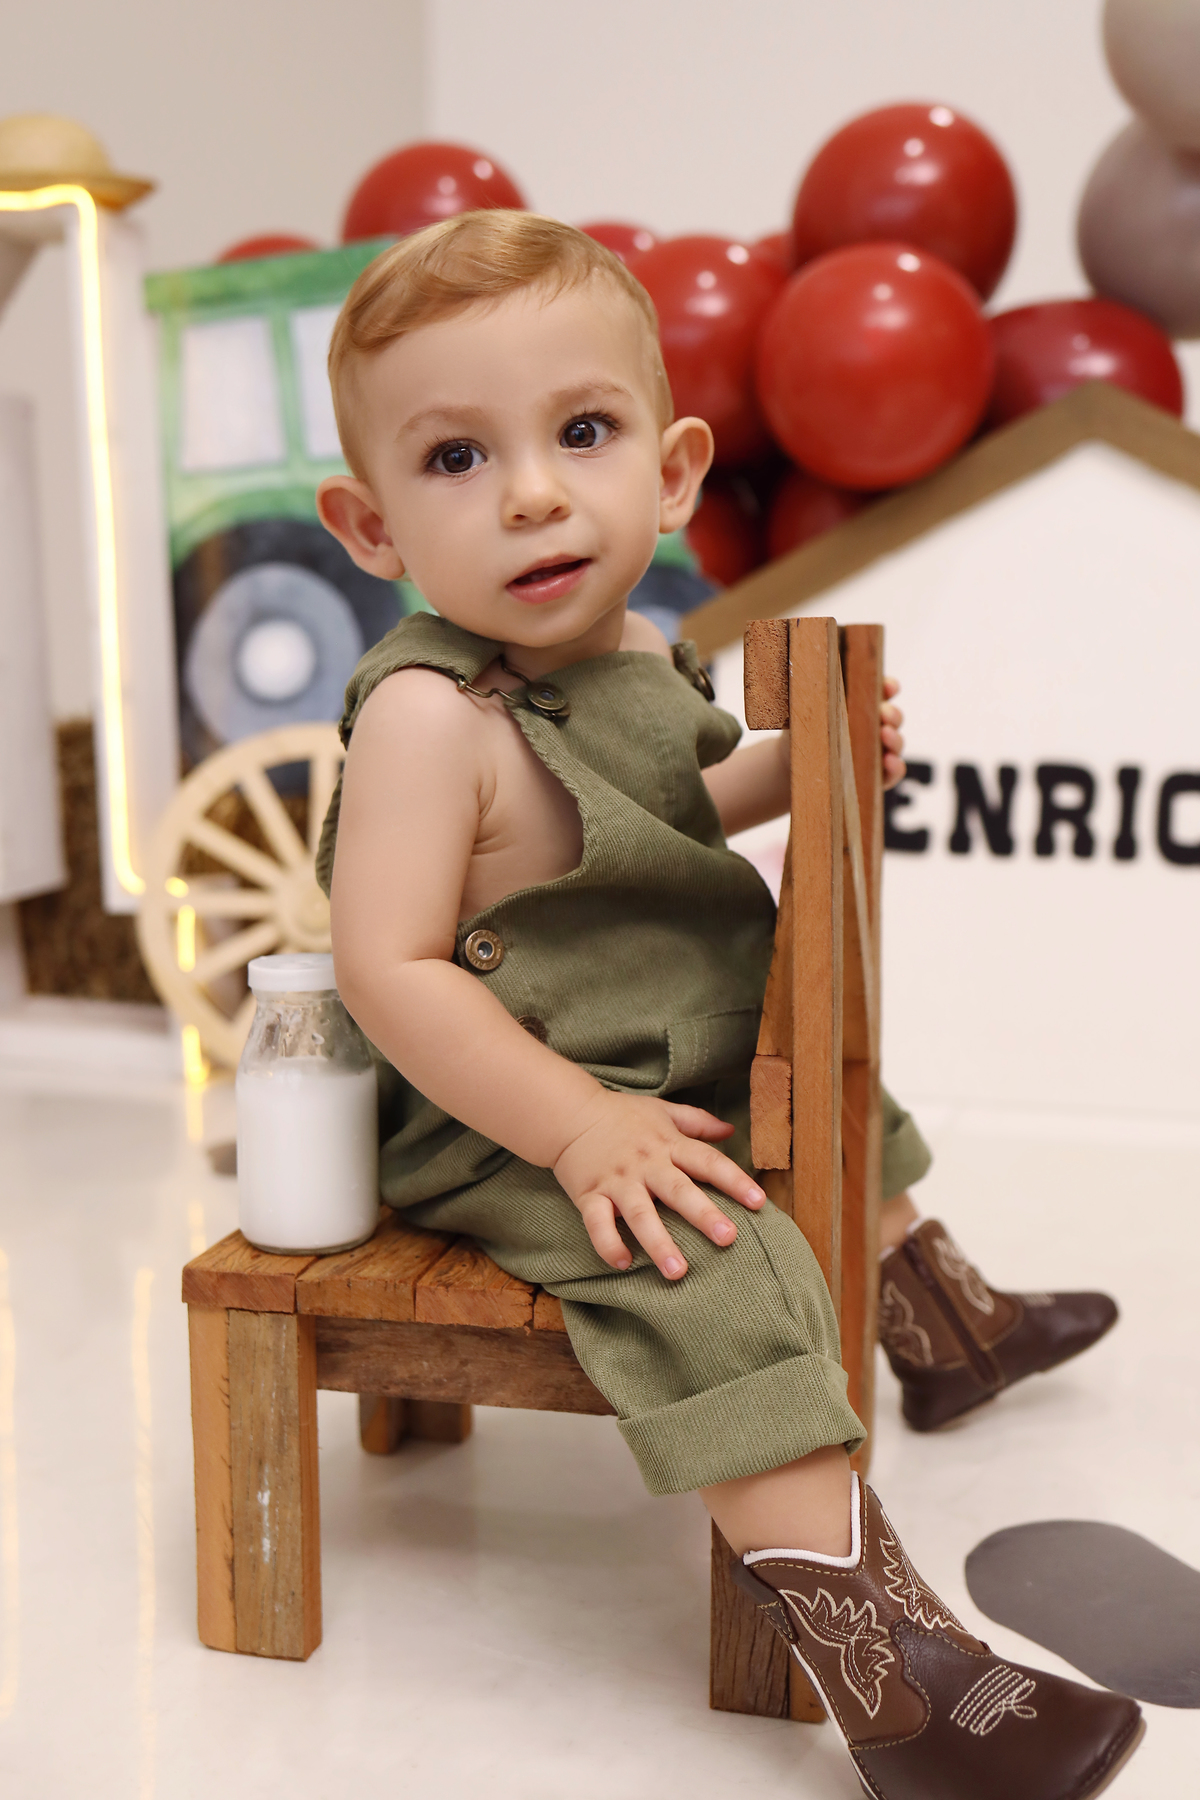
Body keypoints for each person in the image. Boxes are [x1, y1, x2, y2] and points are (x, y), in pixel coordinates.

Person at [313, 210, 1142, 1798]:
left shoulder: (637, 648)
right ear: (369, 527)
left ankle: (940, 1320)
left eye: (581, 432)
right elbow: (390, 967)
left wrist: (801, 765)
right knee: (714, 1256)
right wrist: (579, 1132)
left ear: (675, 470)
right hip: (505, 1111)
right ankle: (897, 1682)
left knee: (835, 1084)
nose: (534, 493)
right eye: (457, 458)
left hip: (654, 1047)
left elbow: (667, 810)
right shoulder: (428, 717)